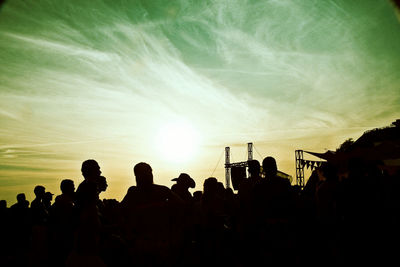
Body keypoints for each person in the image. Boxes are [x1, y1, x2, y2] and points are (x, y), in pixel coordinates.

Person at [120, 162, 183, 266]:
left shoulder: (163, 191)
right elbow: (121, 212)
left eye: (149, 173)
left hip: (159, 242)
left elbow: (181, 207)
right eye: (144, 173)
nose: (148, 176)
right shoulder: (134, 192)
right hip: (144, 242)